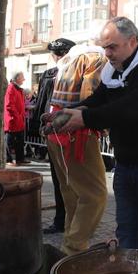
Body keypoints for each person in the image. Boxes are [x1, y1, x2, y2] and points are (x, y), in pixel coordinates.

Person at [57, 16, 138, 249]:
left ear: (132, 41)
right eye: (105, 47)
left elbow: (134, 108)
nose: (107, 53)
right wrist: (69, 112)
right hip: (126, 165)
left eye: (112, 47)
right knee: (127, 233)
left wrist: (84, 118)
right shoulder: (115, 69)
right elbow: (99, 99)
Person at [43, 41, 108, 255]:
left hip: (58, 131)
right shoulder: (95, 57)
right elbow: (90, 96)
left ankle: (68, 250)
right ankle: (73, 250)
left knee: (72, 193)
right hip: (76, 133)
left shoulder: (71, 58)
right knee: (94, 195)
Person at [35, 38, 76, 234]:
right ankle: (72, 221)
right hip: (72, 130)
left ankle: (63, 221)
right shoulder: (77, 72)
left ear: (54, 55)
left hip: (55, 131)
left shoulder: (49, 74)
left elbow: (41, 103)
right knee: (73, 179)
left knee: (60, 178)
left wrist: (38, 126)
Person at [4, 71, 27, 166]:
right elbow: (9, 105)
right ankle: (8, 160)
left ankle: (20, 159)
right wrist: (17, 116)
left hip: (19, 120)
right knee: (10, 141)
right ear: (17, 78)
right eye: (22, 77)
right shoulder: (11, 88)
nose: (24, 79)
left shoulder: (18, 89)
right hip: (12, 120)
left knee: (20, 141)